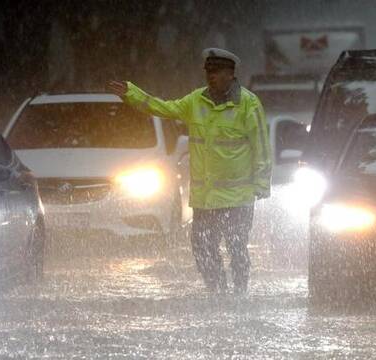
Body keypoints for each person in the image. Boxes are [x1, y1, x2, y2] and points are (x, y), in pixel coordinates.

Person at [108, 48, 272, 295]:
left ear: (230, 74)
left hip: (238, 199)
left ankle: (239, 295)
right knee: (202, 248)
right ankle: (217, 292)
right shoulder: (195, 100)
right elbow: (162, 108)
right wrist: (132, 93)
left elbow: (261, 145)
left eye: (216, 71)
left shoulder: (248, 104)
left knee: (237, 248)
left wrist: (261, 185)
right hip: (205, 199)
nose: (211, 76)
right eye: (208, 71)